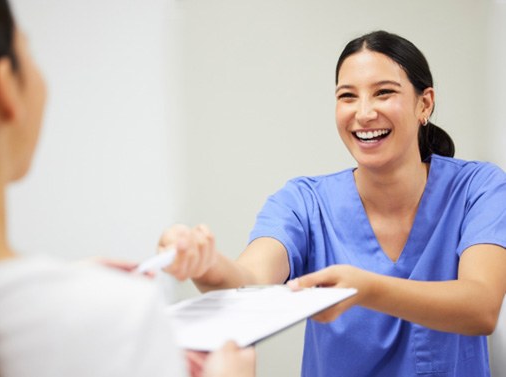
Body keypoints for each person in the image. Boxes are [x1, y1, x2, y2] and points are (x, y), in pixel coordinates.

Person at [158, 30, 506, 376]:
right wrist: (205, 265)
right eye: (348, 96)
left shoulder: (479, 188)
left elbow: (481, 307)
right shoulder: (303, 202)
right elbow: (250, 283)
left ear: (424, 103)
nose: (364, 113)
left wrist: (366, 289)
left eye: (384, 93)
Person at [0, 0, 255, 376]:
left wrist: (68, 279)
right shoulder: (117, 315)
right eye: (29, 50)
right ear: (5, 86)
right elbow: (257, 279)